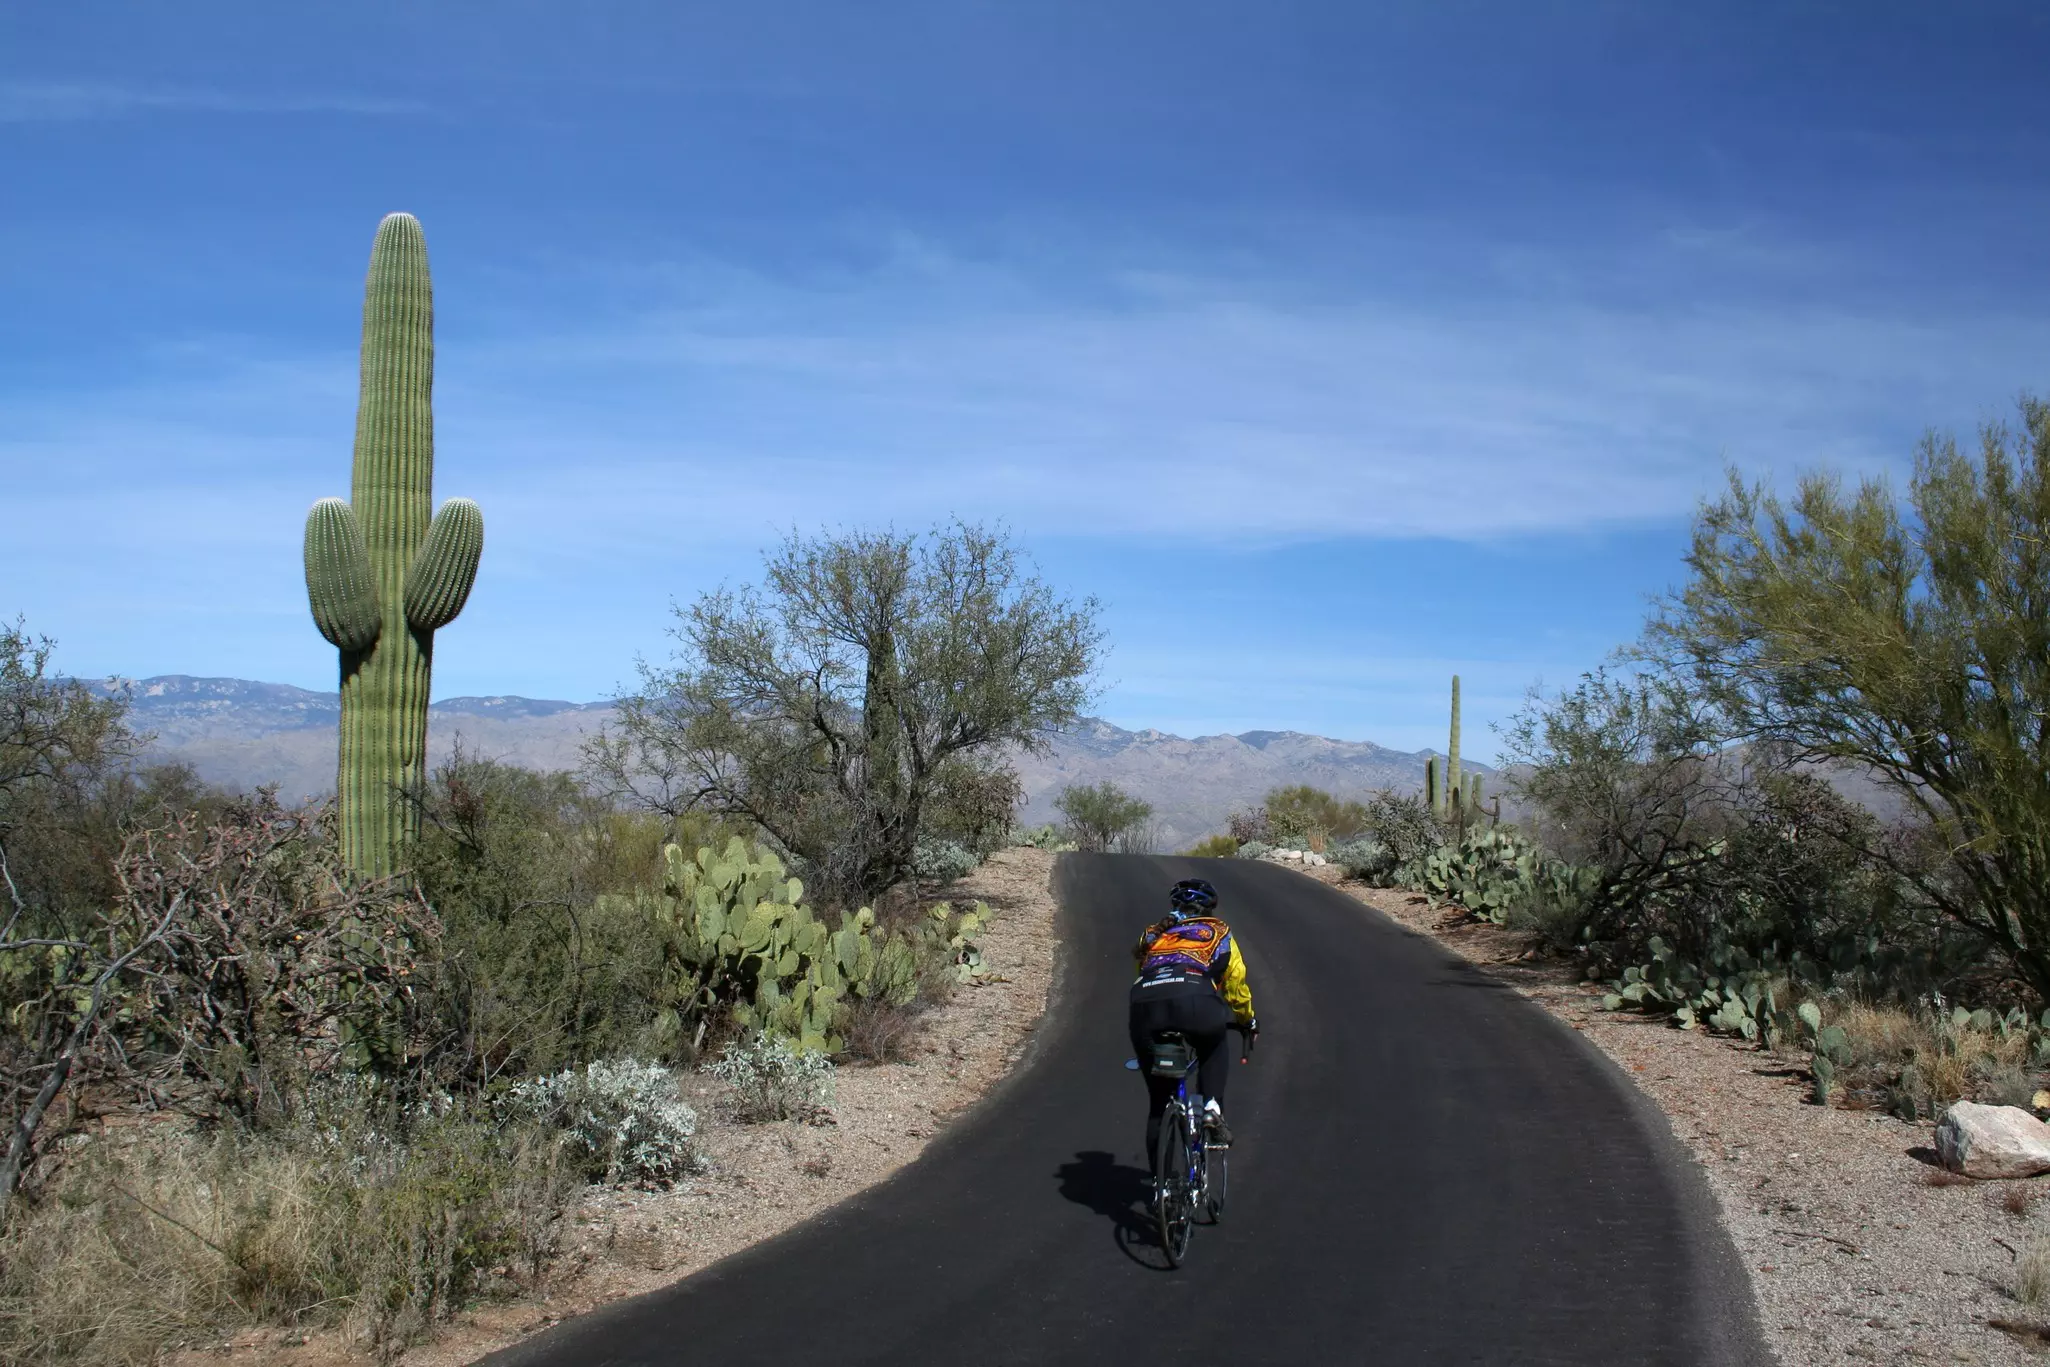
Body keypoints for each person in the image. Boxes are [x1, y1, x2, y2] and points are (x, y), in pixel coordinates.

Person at [1129, 877, 1257, 1170]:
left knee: (1160, 1104)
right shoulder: (1219, 930)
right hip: (1196, 1001)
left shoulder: (1151, 935)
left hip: (1145, 1007)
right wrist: (1246, 1020)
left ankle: (1162, 1192)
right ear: (1210, 908)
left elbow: (1143, 974)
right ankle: (1211, 1107)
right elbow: (1235, 984)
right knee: (1213, 1045)